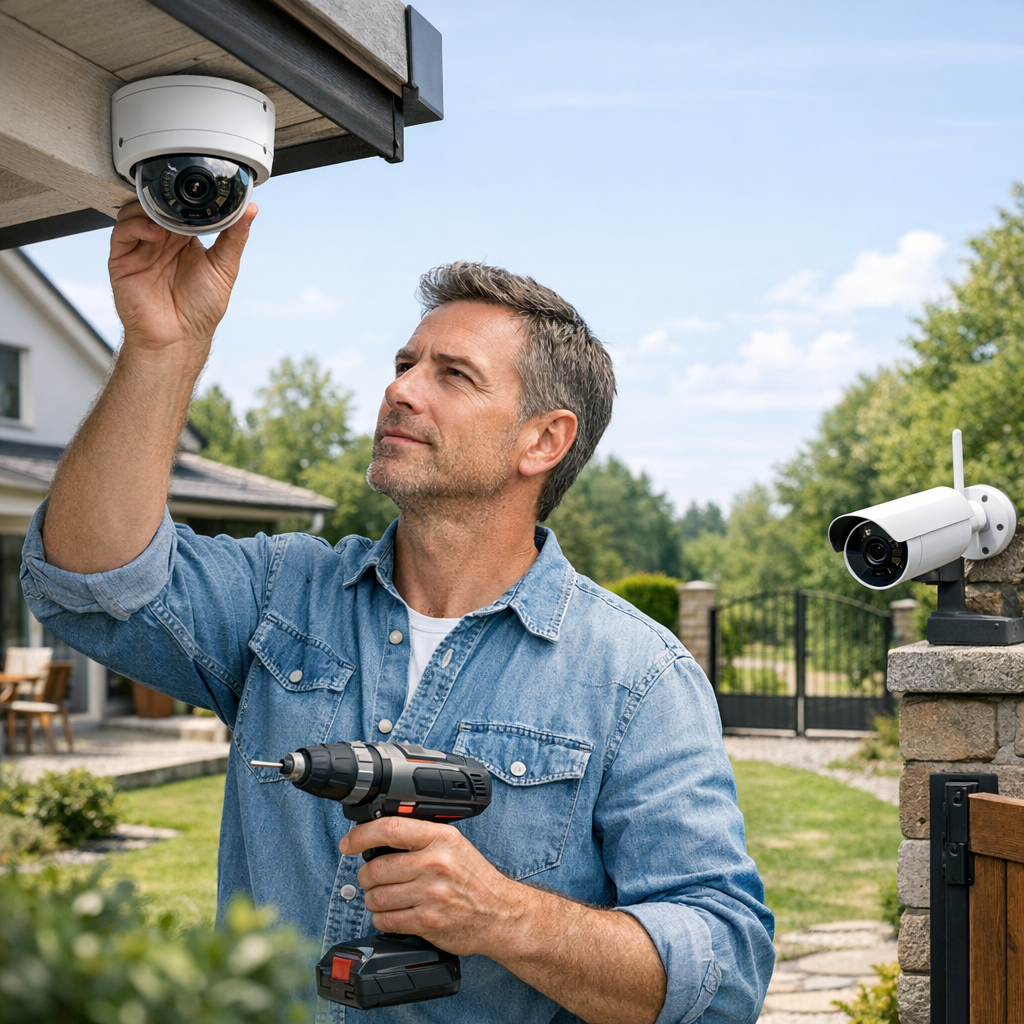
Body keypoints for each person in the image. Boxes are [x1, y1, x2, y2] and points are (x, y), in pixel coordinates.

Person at [21, 201, 774, 1024]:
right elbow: (85, 579)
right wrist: (164, 348)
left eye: (452, 374)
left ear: (543, 441)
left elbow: (723, 969)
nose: (400, 389)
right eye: (404, 362)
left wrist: (503, 917)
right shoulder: (284, 595)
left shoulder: (634, 678)